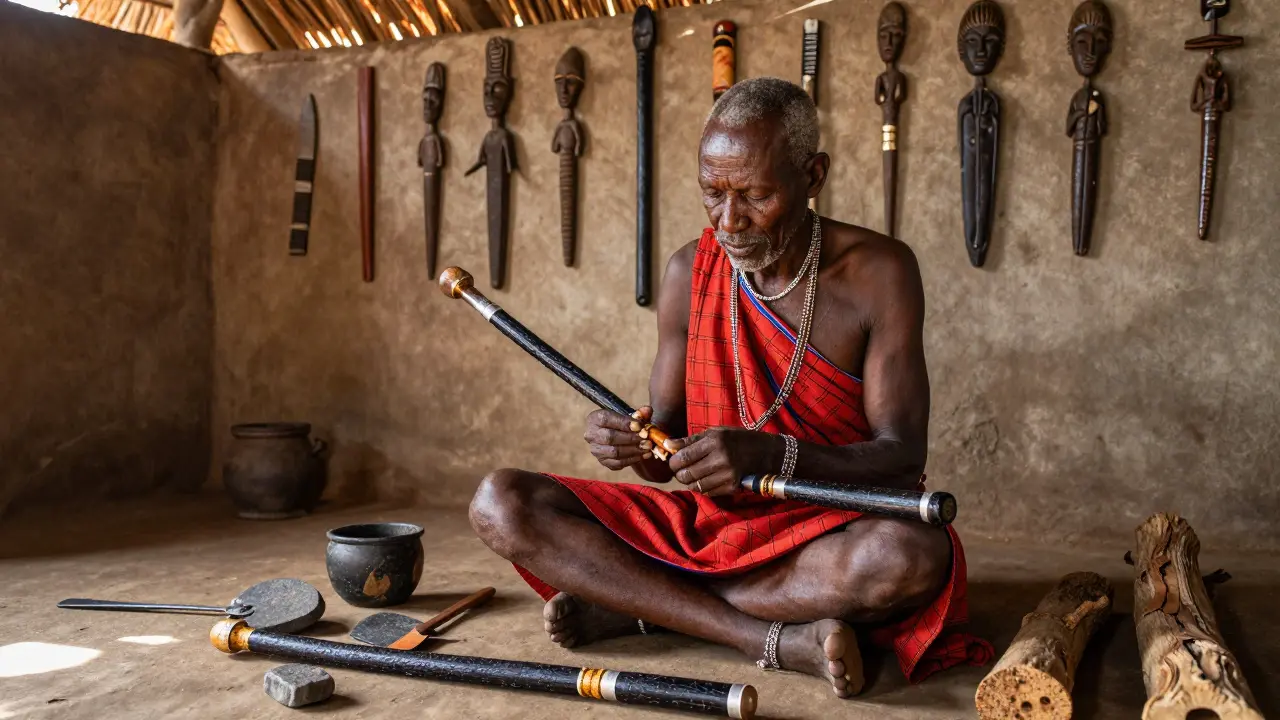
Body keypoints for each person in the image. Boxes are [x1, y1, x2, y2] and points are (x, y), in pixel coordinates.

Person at [469, 77, 991, 697]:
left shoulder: (879, 272)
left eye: (755, 195)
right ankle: (763, 637)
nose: (729, 220)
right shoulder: (689, 270)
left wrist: (772, 454)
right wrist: (635, 443)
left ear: (814, 176)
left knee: (909, 559)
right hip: (710, 524)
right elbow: (666, 449)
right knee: (500, 504)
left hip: (829, 527)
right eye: (712, 193)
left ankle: (642, 602)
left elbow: (901, 455)